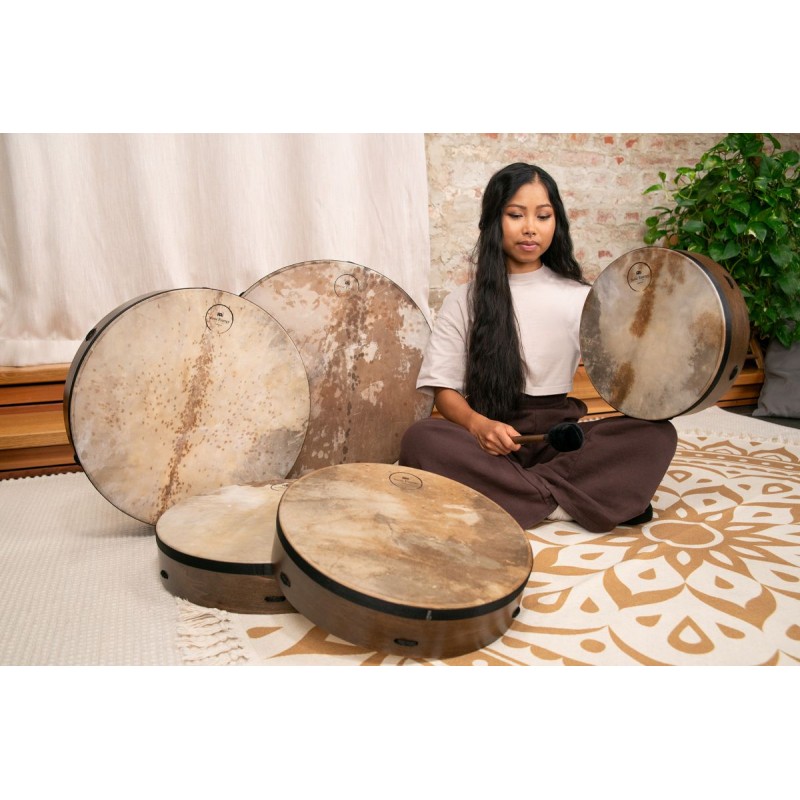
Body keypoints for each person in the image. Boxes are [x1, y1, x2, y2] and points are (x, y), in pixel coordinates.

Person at [399, 162, 677, 532]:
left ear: (555, 223)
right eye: (516, 215)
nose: (530, 227)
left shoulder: (581, 298)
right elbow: (444, 392)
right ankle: (569, 501)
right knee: (421, 439)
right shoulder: (463, 300)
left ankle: (522, 496)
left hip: (557, 440)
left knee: (656, 435)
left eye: (543, 216)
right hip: (490, 442)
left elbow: (625, 372)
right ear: (493, 220)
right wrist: (478, 425)